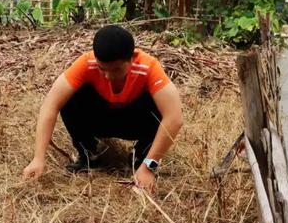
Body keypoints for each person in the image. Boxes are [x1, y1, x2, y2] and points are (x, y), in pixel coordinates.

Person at [22, 25, 183, 192]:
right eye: (102, 68)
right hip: (101, 121)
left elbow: (175, 118)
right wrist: (38, 158)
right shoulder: (86, 63)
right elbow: (50, 105)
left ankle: (141, 157)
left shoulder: (148, 67)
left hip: (135, 123)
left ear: (132, 58)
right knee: (69, 98)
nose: (108, 76)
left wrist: (149, 166)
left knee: (162, 104)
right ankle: (89, 154)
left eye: (116, 70)